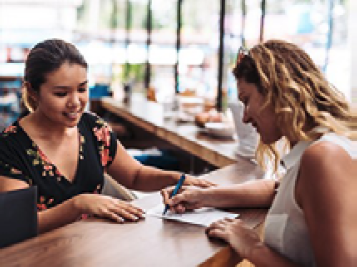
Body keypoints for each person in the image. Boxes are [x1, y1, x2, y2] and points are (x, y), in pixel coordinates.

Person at [162, 40, 357, 267]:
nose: (244, 117)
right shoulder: (324, 148)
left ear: (277, 91)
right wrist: (205, 196)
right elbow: (280, 190)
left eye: (247, 100)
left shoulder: (323, 157)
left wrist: (252, 247)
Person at [0, 39, 214, 234]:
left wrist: (176, 178)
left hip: (92, 247)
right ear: (33, 91)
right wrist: (78, 204)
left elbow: (135, 176)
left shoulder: (93, 128)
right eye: (61, 93)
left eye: (82, 89)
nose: (75, 102)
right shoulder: (9, 147)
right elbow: (18, 225)